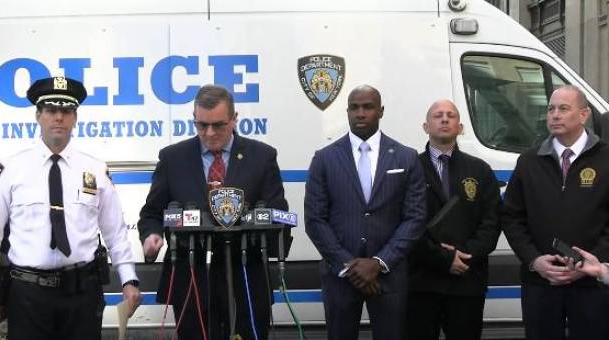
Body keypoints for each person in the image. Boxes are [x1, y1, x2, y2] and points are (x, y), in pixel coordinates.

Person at [0, 77, 141, 340]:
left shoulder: (94, 170)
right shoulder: (12, 169)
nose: (58, 118)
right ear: (38, 116)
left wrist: (129, 280)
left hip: (82, 293)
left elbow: (115, 232)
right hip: (28, 294)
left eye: (66, 112)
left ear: (75, 118)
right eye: (51, 111)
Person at [139, 84, 288, 340]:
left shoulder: (262, 156)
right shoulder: (173, 157)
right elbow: (151, 212)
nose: (209, 133)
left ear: (234, 119)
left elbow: (278, 213)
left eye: (218, 125)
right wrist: (151, 236)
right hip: (192, 277)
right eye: (201, 125)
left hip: (246, 276)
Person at [304, 84, 426, 340]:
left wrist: (379, 263)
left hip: (389, 277)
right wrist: (349, 266)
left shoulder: (406, 157)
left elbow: (414, 218)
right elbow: (315, 219)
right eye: (354, 108)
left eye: (368, 107)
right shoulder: (324, 158)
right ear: (347, 112)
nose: (361, 113)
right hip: (340, 278)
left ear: (380, 111)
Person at [502, 85, 609, 340]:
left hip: (591, 285)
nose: (555, 115)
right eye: (550, 109)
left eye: (563, 108)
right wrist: (534, 260)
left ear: (583, 115)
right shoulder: (528, 162)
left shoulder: (606, 158)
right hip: (541, 283)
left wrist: (590, 262)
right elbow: (512, 217)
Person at [406, 100, 501, 340]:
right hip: (421, 282)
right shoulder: (410, 169)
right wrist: (442, 258)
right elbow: (405, 224)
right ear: (426, 126)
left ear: (460, 126)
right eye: (438, 115)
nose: (445, 119)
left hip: (467, 282)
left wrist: (464, 255)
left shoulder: (480, 170)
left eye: (451, 115)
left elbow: (491, 223)